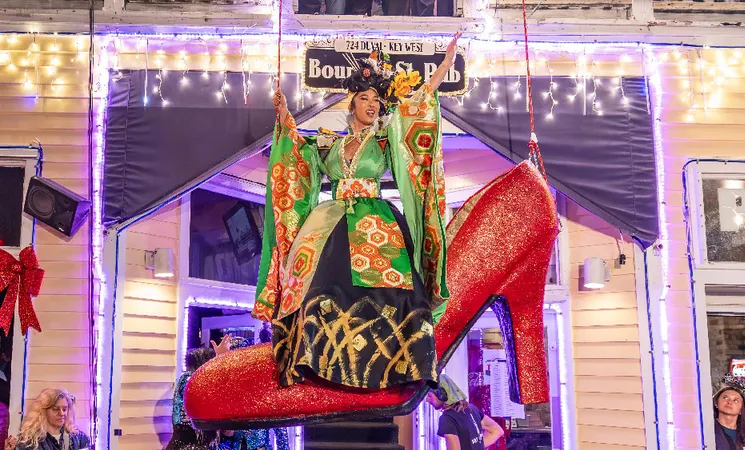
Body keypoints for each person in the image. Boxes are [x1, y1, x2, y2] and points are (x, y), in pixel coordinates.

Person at [252, 33, 461, 391]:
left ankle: (400, 361)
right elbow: (298, 153)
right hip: (329, 221)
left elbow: (417, 106)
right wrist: (284, 114)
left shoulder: (384, 140)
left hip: (375, 220)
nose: (372, 105)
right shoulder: (329, 143)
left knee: (398, 291)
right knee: (314, 288)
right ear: (351, 104)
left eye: (376, 99)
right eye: (364, 98)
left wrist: (443, 68)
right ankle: (318, 358)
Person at [165, 337, 228, 450]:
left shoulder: (192, 379)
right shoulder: (189, 379)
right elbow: (208, 389)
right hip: (189, 444)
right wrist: (220, 359)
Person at [426, 374, 504, 450]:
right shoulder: (471, 409)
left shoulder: (447, 419)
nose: (427, 400)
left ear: (441, 395)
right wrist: (476, 446)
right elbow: (496, 430)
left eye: (429, 396)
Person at [3, 388, 90, 450]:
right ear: (43, 411)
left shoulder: (80, 439)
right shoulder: (30, 442)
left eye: (64, 409)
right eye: (55, 409)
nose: (61, 413)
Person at [713, 377, 745, 450]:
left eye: (736, 400)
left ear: (741, 409)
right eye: (725, 398)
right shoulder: (708, 429)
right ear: (716, 403)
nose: (730, 402)